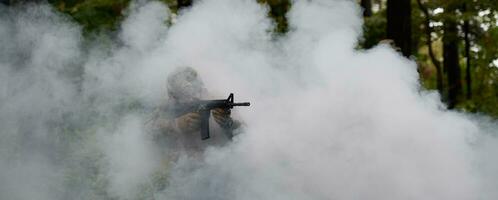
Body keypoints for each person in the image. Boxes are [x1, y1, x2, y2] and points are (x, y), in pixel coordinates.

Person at [146, 66, 242, 156]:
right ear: (173, 95)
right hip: (182, 163)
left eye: (194, 89)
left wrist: (228, 124)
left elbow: (244, 134)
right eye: (183, 94)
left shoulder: (216, 98)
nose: (192, 98)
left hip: (216, 160)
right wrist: (176, 125)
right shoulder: (166, 107)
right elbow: (146, 132)